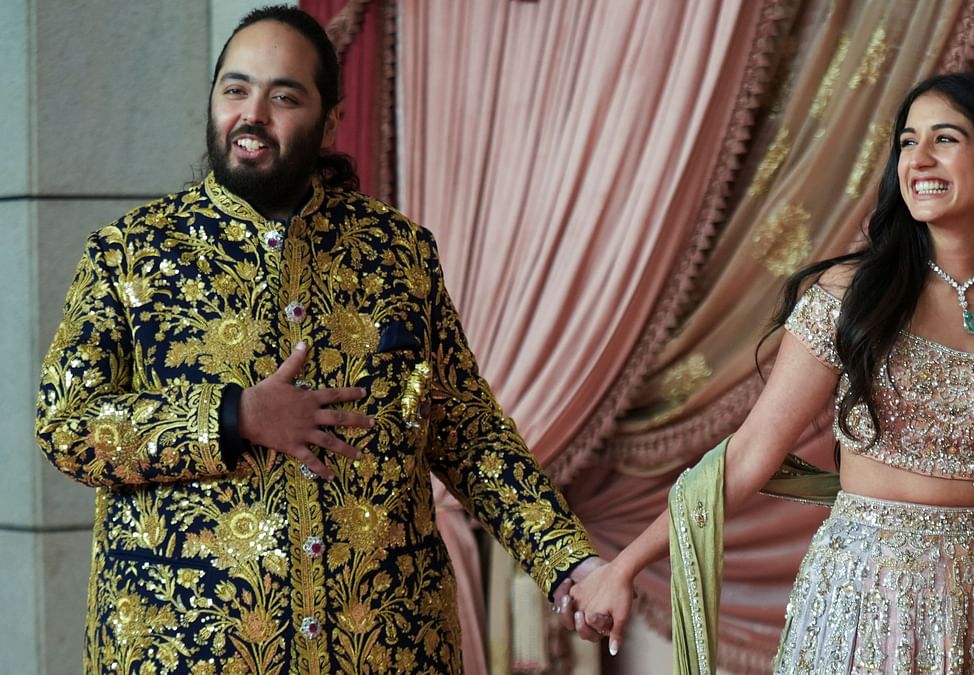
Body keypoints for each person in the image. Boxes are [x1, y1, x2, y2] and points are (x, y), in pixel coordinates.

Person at [35, 6, 604, 673]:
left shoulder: (397, 253)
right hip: (187, 650)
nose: (253, 114)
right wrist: (232, 416)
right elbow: (66, 424)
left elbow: (468, 431)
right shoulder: (130, 253)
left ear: (330, 120)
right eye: (235, 88)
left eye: (284, 95)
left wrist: (570, 561)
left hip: (388, 648)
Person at [570, 73, 974, 673]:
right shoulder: (854, 294)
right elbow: (748, 456)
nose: (918, 159)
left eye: (945, 139)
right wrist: (623, 567)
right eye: (906, 142)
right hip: (862, 598)